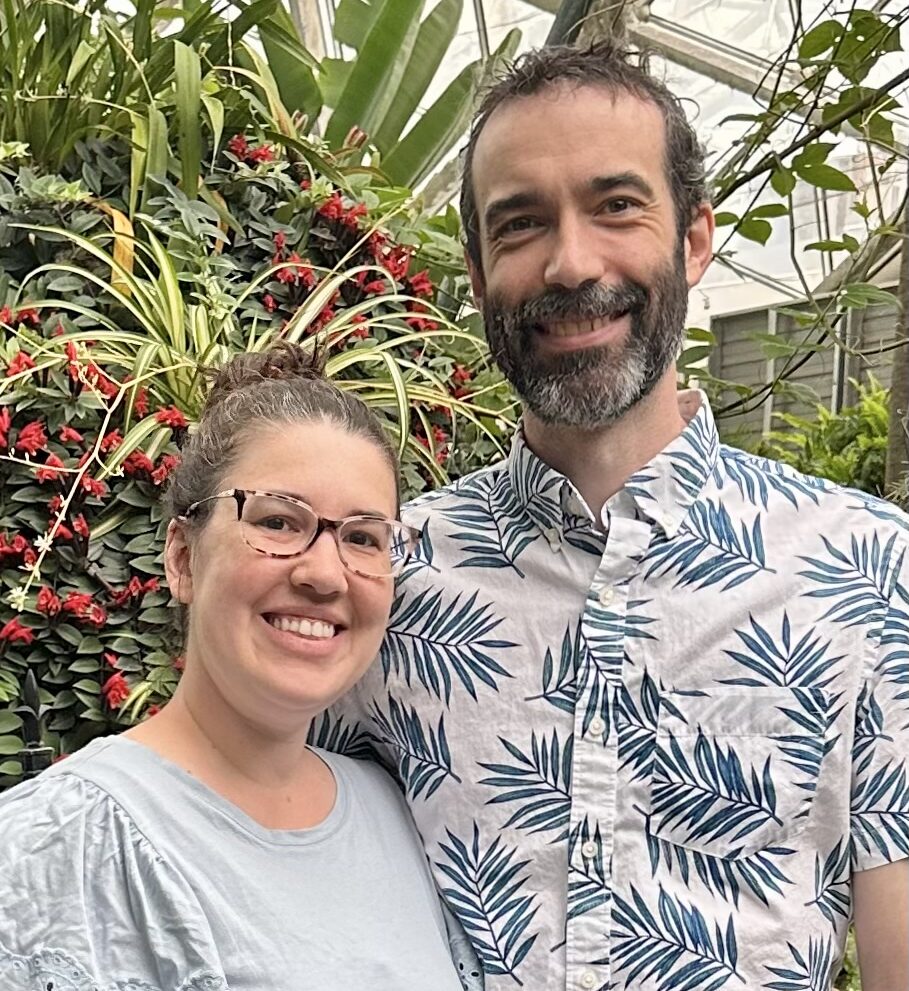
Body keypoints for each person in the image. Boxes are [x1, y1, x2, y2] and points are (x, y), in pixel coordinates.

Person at [331, 42, 909, 991]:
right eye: (520, 224)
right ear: (475, 273)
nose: (570, 261)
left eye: (616, 206)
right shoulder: (384, 573)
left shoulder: (867, 569)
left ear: (692, 238)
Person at [0, 343, 475, 991]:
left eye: (364, 536)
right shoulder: (55, 848)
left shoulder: (401, 813)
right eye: (278, 520)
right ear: (182, 557)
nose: (323, 573)